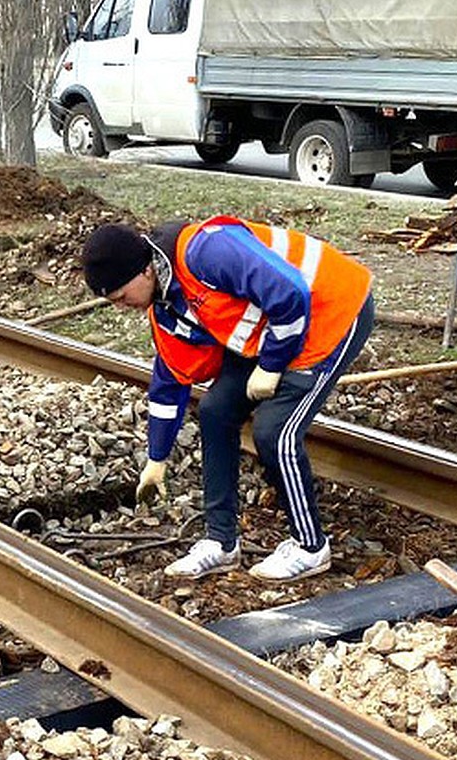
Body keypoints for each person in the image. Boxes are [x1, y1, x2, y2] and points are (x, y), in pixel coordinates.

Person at [82, 216, 374, 582]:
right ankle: (221, 542)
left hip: (330, 309)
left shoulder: (206, 250)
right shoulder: (166, 305)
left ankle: (310, 547)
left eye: (121, 296)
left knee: (274, 432)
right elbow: (169, 384)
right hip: (275, 331)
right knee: (215, 411)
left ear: (144, 271)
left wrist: (272, 365)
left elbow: (290, 292)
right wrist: (156, 459)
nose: (121, 306)